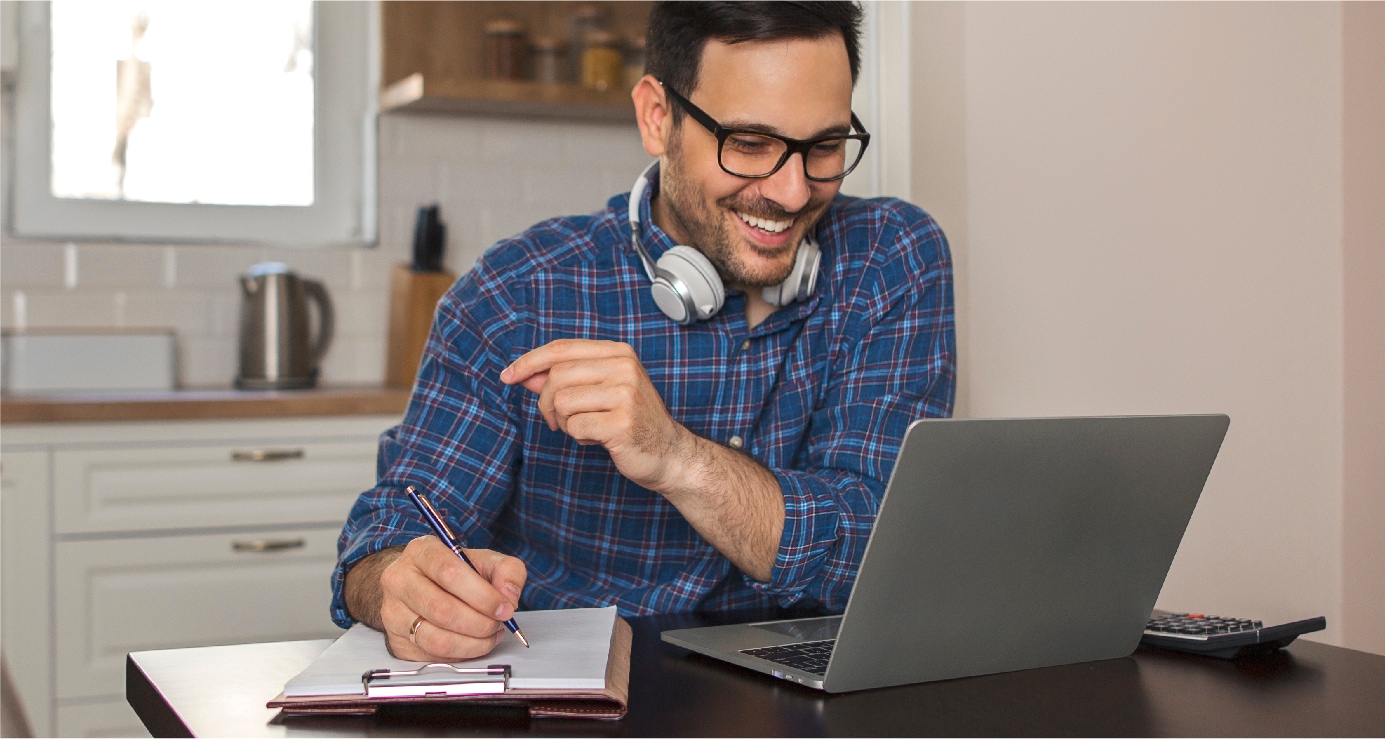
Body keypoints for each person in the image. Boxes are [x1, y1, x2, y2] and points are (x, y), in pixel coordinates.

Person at [334, 1, 956, 661]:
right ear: (658, 117)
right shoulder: (518, 294)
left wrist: (677, 458)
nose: (795, 191)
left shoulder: (890, 258)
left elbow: (878, 558)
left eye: (824, 146)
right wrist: (400, 585)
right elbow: (390, 532)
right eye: (750, 144)